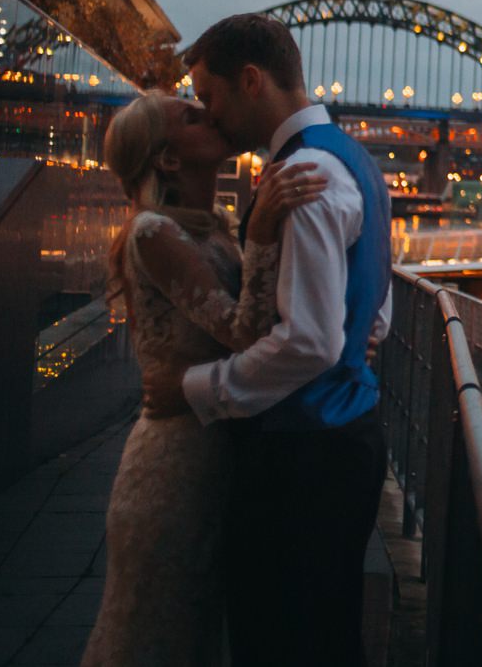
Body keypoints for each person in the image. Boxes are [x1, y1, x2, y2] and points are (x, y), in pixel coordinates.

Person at [142, 14, 393, 667]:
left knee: (277, 642)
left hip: (301, 457)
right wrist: (361, 333)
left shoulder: (303, 175)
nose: (209, 112)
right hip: (350, 438)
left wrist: (192, 388)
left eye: (210, 94)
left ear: (251, 80)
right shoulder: (352, 157)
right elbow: (378, 297)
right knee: (327, 638)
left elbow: (309, 342)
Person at [83, 89, 326, 666]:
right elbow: (245, 332)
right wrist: (263, 228)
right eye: (190, 116)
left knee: (194, 634)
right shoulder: (154, 232)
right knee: (153, 633)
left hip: (211, 446)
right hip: (175, 466)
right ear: (168, 159)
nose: (207, 111)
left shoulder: (208, 227)